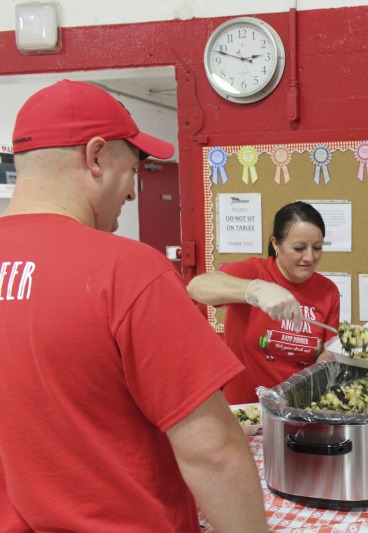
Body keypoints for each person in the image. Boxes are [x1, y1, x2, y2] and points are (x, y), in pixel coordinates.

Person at [0, 80, 268, 532]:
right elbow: (213, 452)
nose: (131, 193)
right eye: (134, 168)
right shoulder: (127, 271)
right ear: (97, 156)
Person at [187, 201, 341, 404]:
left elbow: (325, 349)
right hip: (246, 410)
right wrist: (254, 290)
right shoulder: (256, 272)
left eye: (318, 248)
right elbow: (196, 287)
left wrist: (329, 358)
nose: (310, 257)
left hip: (297, 410)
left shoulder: (328, 291)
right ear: (276, 244)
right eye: (299, 248)